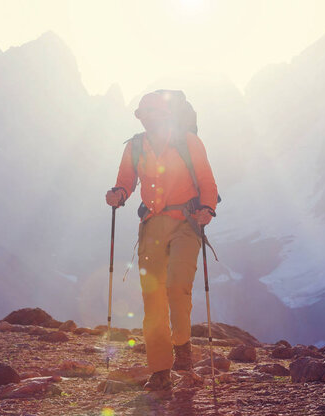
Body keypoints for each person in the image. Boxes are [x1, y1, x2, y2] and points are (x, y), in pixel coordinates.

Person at [106, 90, 218, 394]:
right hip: (152, 226)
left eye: (152, 113)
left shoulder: (188, 142)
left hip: (187, 224)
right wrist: (119, 194)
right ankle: (160, 371)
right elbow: (125, 180)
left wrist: (207, 208)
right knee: (153, 299)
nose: (148, 119)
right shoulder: (135, 146)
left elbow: (207, 181)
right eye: (144, 114)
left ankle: (182, 349)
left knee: (177, 286)